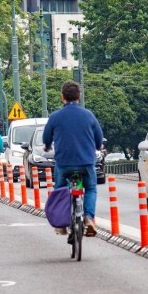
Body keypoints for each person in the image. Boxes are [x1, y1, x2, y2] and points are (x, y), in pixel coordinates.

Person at [42, 81, 104, 237]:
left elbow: (46, 137)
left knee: (60, 190)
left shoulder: (55, 116)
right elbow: (99, 138)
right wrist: (98, 146)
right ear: (79, 96)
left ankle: (61, 224)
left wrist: (47, 146)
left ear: (62, 97)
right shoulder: (89, 115)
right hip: (86, 162)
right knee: (90, 189)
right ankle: (89, 218)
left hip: (64, 163)